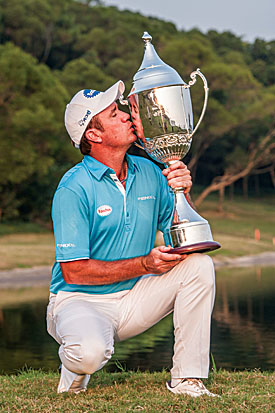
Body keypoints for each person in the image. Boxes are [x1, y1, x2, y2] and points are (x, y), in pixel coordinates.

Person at [46, 80, 217, 398]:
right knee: (89, 353)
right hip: (78, 301)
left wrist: (183, 193)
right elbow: (74, 272)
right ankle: (75, 367)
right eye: (114, 114)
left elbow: (180, 234)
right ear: (93, 135)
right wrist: (145, 264)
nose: (126, 116)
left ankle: (187, 379)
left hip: (135, 299)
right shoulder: (73, 187)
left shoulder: (150, 171)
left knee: (199, 266)